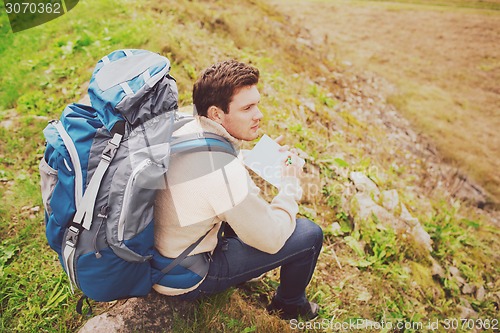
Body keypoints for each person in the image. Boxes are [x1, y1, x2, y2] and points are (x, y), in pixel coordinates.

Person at [153, 60, 323, 320]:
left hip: (157, 251)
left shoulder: (185, 121)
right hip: (183, 275)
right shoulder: (224, 174)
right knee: (309, 234)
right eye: (247, 108)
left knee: (242, 214)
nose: (259, 115)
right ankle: (289, 304)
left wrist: (255, 157)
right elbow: (272, 239)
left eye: (257, 104)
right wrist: (290, 184)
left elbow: (202, 168)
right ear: (216, 114)